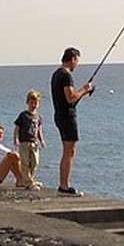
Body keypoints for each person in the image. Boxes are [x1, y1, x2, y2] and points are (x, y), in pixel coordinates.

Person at [51, 47, 94, 195]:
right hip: (67, 117)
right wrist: (84, 89)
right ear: (73, 59)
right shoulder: (66, 76)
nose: (77, 65)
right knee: (69, 151)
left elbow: (68, 99)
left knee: (67, 151)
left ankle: (63, 184)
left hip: (59, 115)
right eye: (77, 61)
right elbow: (70, 98)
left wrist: (81, 93)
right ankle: (64, 185)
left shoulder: (56, 74)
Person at [13, 90, 46, 190]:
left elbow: (39, 130)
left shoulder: (38, 117)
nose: (33, 105)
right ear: (27, 102)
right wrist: (16, 139)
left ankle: (29, 179)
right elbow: (17, 128)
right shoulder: (23, 115)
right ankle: (28, 182)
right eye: (31, 102)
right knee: (25, 162)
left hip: (34, 142)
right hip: (24, 142)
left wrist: (42, 140)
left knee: (35, 162)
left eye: (35, 103)